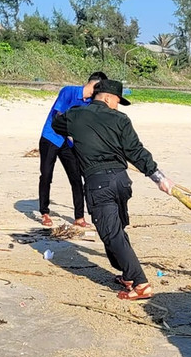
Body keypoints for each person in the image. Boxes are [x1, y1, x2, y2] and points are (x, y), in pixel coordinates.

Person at [52, 79, 175, 300]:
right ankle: (128, 274)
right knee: (116, 230)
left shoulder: (76, 115)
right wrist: (159, 178)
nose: (117, 106)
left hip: (99, 183)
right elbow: (136, 151)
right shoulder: (120, 119)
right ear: (108, 97)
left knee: (112, 233)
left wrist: (75, 127)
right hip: (121, 181)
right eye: (117, 101)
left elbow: (56, 123)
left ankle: (140, 283)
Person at [36, 71, 107, 227]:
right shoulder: (69, 91)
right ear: (95, 85)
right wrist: (70, 132)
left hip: (68, 144)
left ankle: (79, 217)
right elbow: (58, 116)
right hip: (51, 137)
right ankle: (44, 212)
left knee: (76, 177)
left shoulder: (90, 103)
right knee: (46, 175)